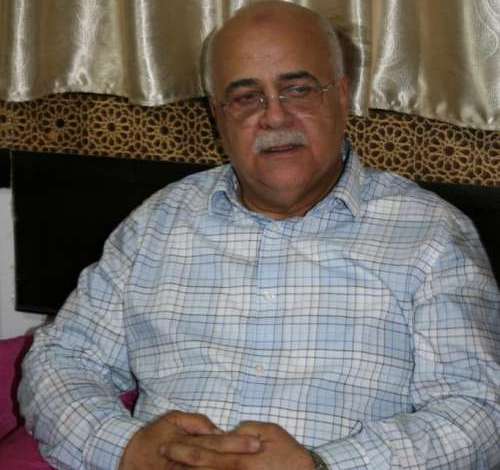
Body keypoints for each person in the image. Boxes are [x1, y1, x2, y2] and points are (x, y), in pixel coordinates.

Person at [19, 2, 500, 469]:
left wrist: (322, 465)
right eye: (246, 97)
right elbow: (62, 359)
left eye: (298, 90)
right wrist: (125, 449)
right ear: (218, 115)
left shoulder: (431, 235)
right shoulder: (158, 223)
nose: (274, 117)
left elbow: (479, 411)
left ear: (341, 95)